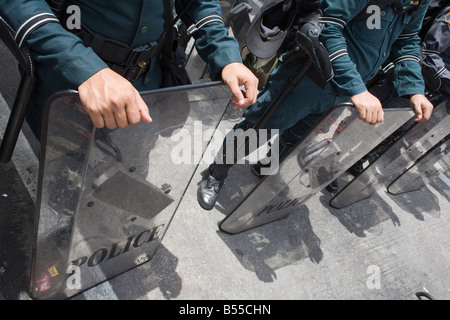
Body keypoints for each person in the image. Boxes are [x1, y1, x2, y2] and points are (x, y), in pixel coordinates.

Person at [197, 0, 435, 210]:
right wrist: (358, 89)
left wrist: (414, 88)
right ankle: (216, 173)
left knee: (301, 135)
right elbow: (328, 27)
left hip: (346, 91)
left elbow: (407, 39)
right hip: (308, 78)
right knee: (260, 127)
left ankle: (265, 167)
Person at [0, 0, 258, 139]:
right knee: (64, 173)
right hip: (74, 90)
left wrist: (224, 54)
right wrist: (82, 68)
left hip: (148, 87)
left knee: (127, 177)